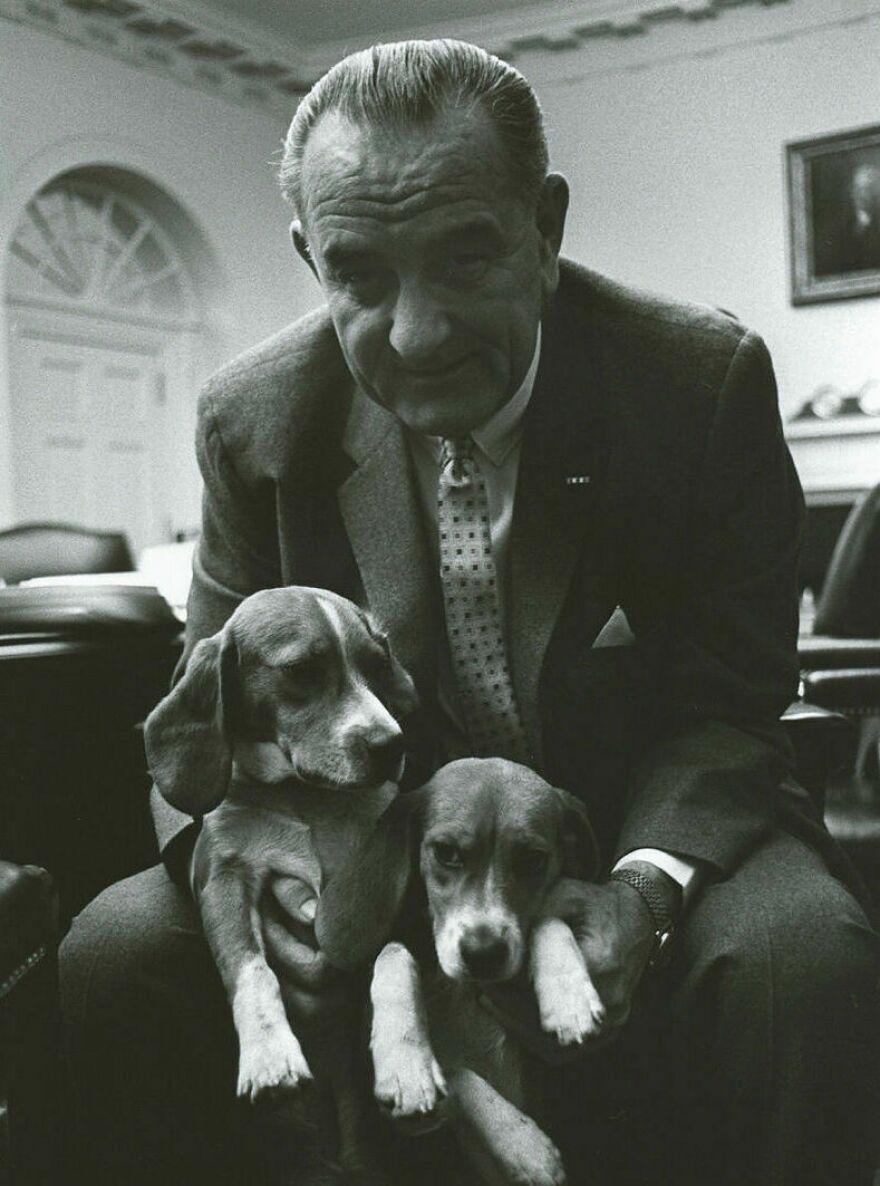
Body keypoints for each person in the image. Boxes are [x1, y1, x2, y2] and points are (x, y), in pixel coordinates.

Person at [59, 38, 879, 1186]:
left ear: (543, 231)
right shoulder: (255, 418)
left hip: (638, 813)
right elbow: (202, 705)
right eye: (361, 276)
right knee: (114, 951)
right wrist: (261, 885)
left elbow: (729, 704)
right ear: (311, 258)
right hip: (368, 840)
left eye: (466, 255)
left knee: (809, 963)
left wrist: (641, 893)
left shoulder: (696, 387)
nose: (417, 330)